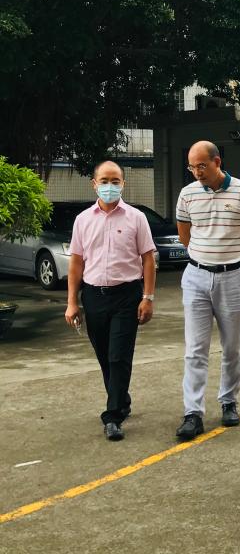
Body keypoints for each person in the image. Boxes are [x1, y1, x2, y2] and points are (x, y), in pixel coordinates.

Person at [174, 141, 240, 440]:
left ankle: (229, 402)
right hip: (196, 276)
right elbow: (185, 234)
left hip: (233, 277)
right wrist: (205, 255)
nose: (197, 172)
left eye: (202, 165)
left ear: (217, 162)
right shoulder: (187, 194)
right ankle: (193, 413)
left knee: (232, 346)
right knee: (195, 349)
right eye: (192, 167)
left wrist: (236, 258)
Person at [64, 161, 156, 441]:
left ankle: (113, 416)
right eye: (104, 181)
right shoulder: (83, 220)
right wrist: (72, 302)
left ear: (123, 184)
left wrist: (148, 297)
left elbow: (148, 259)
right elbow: (76, 263)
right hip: (94, 296)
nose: (110, 186)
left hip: (127, 296)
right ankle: (122, 400)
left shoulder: (136, 218)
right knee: (105, 356)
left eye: (115, 181)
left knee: (119, 356)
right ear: (94, 184)